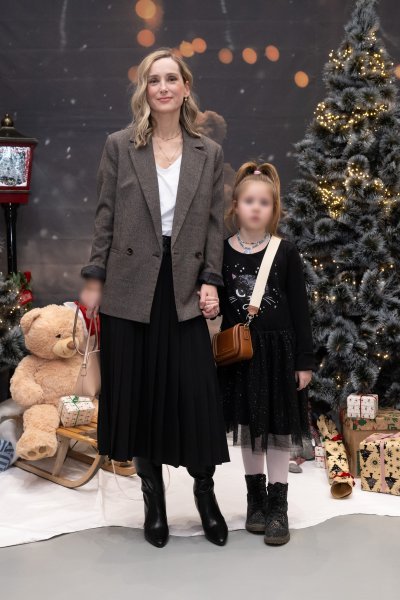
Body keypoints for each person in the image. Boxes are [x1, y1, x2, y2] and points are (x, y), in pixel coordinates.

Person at [79, 48, 230, 548]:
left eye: (171, 79)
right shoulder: (120, 145)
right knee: (139, 394)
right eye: (153, 80)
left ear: (186, 88)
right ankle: (154, 501)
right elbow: (105, 217)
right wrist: (95, 278)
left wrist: (211, 278)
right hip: (130, 285)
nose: (163, 87)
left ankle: (205, 495)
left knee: (194, 394)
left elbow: (214, 224)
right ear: (144, 89)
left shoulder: (208, 152)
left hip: (184, 283)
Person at [216, 162, 316, 546]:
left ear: (274, 209)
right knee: (250, 427)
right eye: (249, 201)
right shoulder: (222, 251)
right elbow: (218, 302)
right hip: (243, 355)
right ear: (235, 206)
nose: (256, 208)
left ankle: (278, 505)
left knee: (277, 429)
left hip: (279, 354)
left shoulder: (285, 251)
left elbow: (301, 309)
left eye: (264, 202)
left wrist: (304, 362)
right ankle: (255, 499)